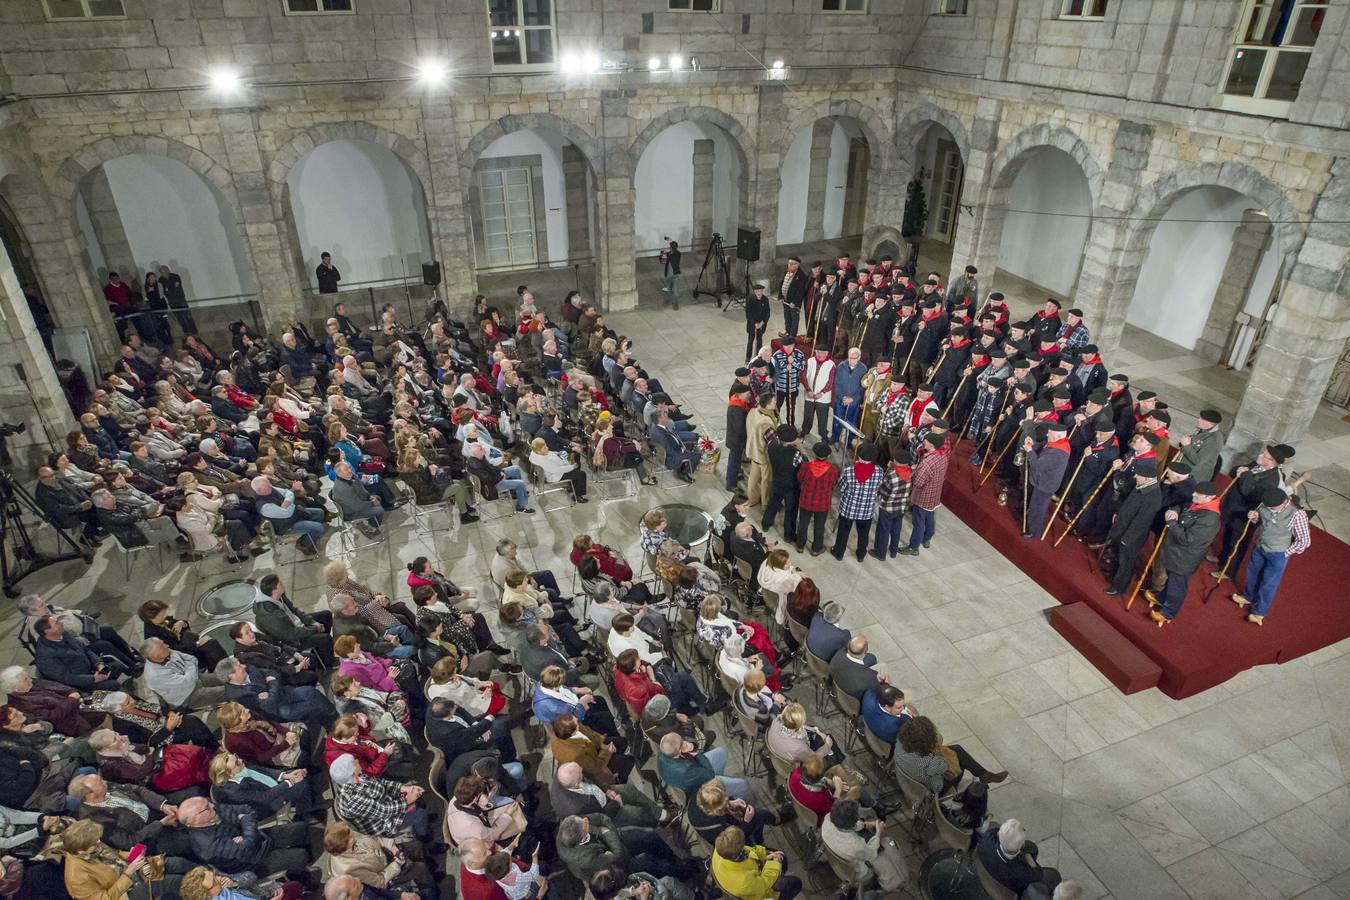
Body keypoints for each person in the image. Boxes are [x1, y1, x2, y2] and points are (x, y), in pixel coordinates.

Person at [1231, 487, 1311, 626]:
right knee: (1252, 573)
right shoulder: (1264, 503)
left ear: (1284, 502)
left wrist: (1286, 552)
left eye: (1273, 508)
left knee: (1269, 583)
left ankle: (1259, 612)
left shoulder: (1297, 514)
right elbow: (1260, 520)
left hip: (1278, 553)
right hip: (1260, 546)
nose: (1270, 509)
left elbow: (1304, 541)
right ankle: (1248, 597)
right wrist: (1255, 517)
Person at [1146, 481, 1222, 626]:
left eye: (1197, 494)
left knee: (1177, 586)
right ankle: (1162, 598)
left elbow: (1188, 539)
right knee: (1170, 581)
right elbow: (1183, 506)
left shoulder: (1209, 520)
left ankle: (1168, 613)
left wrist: (1171, 523)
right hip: (1175, 553)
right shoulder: (1198, 504)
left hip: (1183, 558)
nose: (1193, 495)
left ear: (1209, 497)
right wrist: (1175, 510)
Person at [60, 818, 186, 900]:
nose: (99, 842)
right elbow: (107, 898)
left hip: (133, 871)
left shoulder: (92, 845)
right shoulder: (76, 877)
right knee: (177, 882)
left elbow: (116, 854)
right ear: (82, 850)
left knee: (179, 863)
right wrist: (129, 872)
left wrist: (130, 854)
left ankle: (204, 872)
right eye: (95, 842)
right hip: (125, 893)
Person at [894, 715, 1005, 795]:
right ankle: (983, 776)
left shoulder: (900, 742)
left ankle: (984, 775)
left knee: (957, 749)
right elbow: (949, 768)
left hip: (907, 773)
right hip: (934, 788)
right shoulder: (932, 762)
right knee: (958, 762)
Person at [821, 800, 909, 894]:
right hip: (855, 872)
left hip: (834, 857)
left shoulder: (828, 818)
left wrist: (865, 824)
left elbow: (849, 826)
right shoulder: (856, 845)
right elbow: (871, 853)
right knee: (883, 851)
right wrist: (878, 832)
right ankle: (882, 887)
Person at [1103, 459, 1162, 597]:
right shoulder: (1142, 485)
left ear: (1147, 478)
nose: (1135, 477)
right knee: (1120, 556)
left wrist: (1127, 539)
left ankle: (1119, 587)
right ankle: (1114, 575)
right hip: (1123, 526)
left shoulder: (1153, 497)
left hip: (1131, 536)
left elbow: (1141, 522)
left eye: (1138, 475)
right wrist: (1119, 513)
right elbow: (1128, 503)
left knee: (1126, 561)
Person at [976, 819, 1062, 897]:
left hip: (991, 869)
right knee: (1053, 874)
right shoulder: (1022, 872)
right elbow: (1038, 874)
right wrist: (1030, 859)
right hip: (1013, 887)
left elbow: (994, 830)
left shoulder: (987, 839)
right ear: (1021, 846)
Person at [710, 826, 801, 900]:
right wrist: (775, 863)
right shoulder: (744, 881)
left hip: (751, 880)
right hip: (760, 893)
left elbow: (748, 851)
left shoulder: (721, 850)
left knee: (781, 862)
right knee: (795, 883)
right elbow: (764, 883)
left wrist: (766, 854)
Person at [831, 442, 881, 562]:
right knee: (863, 533)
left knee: (843, 531)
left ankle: (838, 552)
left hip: (848, 508)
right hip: (867, 510)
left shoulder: (849, 471)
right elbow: (878, 487)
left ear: (858, 455)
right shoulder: (879, 471)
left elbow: (841, 487)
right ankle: (861, 554)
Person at [1022, 421, 1071, 538]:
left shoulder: (1057, 452)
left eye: (1050, 433)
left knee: (1037, 508)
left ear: (1058, 436)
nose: (1047, 435)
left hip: (1045, 484)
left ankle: (1034, 531)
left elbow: (1038, 465)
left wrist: (1029, 451)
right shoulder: (1056, 443)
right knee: (1035, 505)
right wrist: (1033, 444)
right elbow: (1042, 448)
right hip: (1042, 481)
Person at [794, 441, 838, 556]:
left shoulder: (806, 466)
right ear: (828, 456)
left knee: (803, 523)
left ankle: (800, 545)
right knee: (819, 526)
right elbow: (834, 483)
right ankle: (816, 548)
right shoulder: (832, 471)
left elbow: (799, 478)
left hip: (806, 501)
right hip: (822, 503)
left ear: (814, 454)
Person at [861, 683, 911, 751]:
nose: (903, 708)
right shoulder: (898, 724)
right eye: (899, 707)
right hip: (887, 745)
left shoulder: (869, 695)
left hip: (869, 723)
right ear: (887, 707)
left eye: (903, 705)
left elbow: (879, 688)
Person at [800, 346, 834, 441]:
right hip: (809, 395)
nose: (820, 354)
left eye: (823, 352)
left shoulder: (831, 364)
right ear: (815, 351)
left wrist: (822, 393)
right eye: (818, 352)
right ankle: (805, 431)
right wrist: (808, 390)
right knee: (807, 415)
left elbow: (831, 382)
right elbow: (803, 375)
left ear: (827, 353)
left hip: (823, 397)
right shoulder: (810, 361)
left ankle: (823, 434)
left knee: (822, 417)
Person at [745, 282, 770, 362]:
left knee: (759, 340)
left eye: (761, 291)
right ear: (755, 292)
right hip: (752, 324)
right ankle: (748, 357)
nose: (760, 292)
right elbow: (748, 313)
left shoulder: (765, 299)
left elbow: (767, 313)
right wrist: (755, 324)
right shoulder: (750, 299)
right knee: (750, 340)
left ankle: (759, 356)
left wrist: (762, 323)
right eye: (758, 291)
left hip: (761, 324)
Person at [660, 239, 682, 308]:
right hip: (668, 275)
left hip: (675, 276)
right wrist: (662, 254)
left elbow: (673, 256)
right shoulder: (669, 254)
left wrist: (667, 252)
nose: (671, 248)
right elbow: (662, 261)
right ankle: (669, 301)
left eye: (672, 247)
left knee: (675, 291)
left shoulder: (678, 254)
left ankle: (676, 304)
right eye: (671, 247)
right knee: (669, 290)